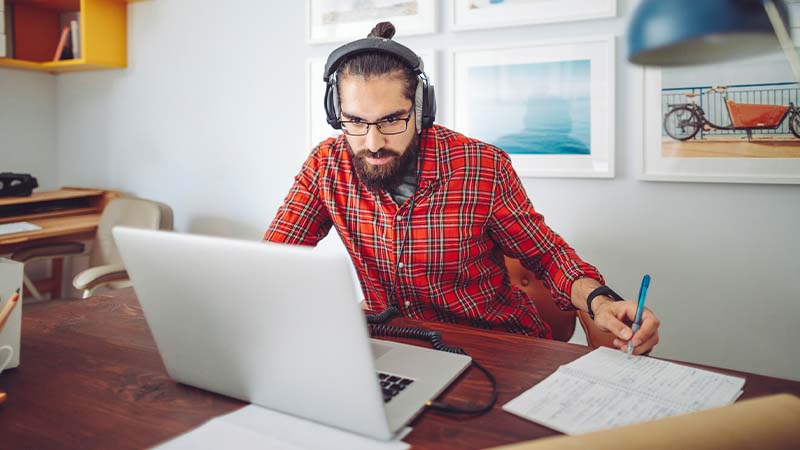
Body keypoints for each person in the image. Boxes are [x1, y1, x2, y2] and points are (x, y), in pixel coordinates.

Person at [265, 22, 660, 354]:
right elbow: (273, 261)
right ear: (337, 114)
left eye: (391, 120)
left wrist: (600, 300)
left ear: (421, 111)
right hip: (398, 348)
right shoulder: (325, 165)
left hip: (497, 346)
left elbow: (547, 255)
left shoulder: (482, 166)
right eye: (355, 122)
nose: (371, 142)